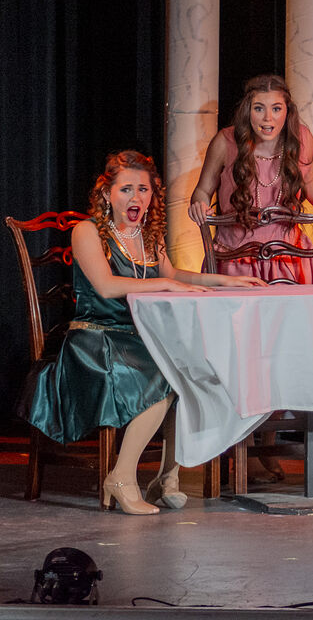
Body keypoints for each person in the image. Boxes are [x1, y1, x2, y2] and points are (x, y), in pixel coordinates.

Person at [23, 150, 266, 514]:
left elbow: (174, 275)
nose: (135, 197)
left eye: (143, 189)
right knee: (163, 373)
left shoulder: (148, 235)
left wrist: (225, 281)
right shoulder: (87, 231)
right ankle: (121, 478)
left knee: (192, 371)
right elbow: (106, 286)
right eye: (126, 189)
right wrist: (165, 285)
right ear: (106, 193)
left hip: (138, 338)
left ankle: (166, 478)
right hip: (95, 338)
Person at [189, 74, 313, 282]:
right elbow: (203, 190)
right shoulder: (225, 142)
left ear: (288, 111)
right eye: (259, 108)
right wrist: (200, 205)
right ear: (247, 111)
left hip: (288, 256)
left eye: (276, 109)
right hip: (236, 257)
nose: (268, 118)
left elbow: (309, 180)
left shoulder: (301, 138)